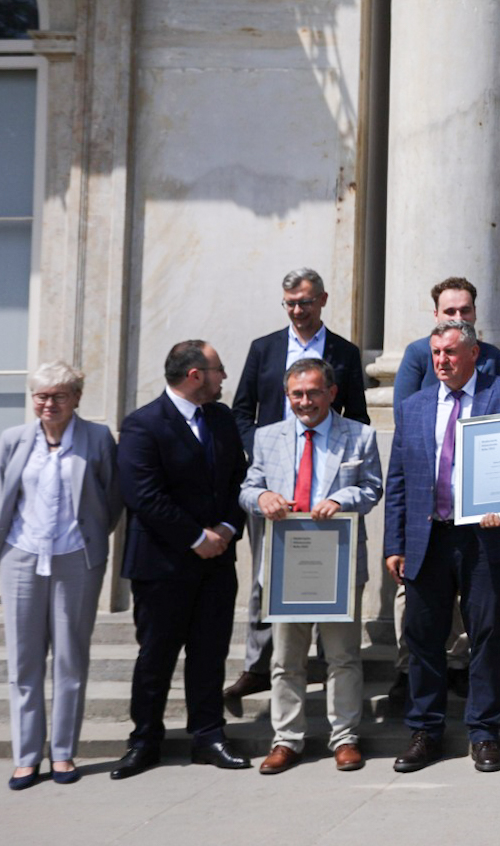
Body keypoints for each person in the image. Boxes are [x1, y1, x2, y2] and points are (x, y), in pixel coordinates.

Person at [384, 320, 500, 774]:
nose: (442, 361)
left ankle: (484, 731)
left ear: (473, 353)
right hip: (428, 536)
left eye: (450, 352)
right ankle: (425, 730)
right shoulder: (413, 406)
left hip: (484, 537)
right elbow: (399, 480)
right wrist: (394, 543)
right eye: (436, 353)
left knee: (485, 634)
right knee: (423, 636)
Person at [226, 267, 371, 715]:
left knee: (331, 582)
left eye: (305, 302)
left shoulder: (344, 352)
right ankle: (258, 664)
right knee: (265, 579)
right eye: (290, 303)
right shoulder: (265, 348)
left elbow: (358, 414)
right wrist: (264, 454)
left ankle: (328, 660)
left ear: (322, 300)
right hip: (275, 488)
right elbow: (241, 410)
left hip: (328, 485)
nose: (297, 310)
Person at [112, 341, 251, 778]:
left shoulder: (221, 418)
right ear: (195, 375)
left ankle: (208, 735)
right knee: (156, 657)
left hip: (216, 563)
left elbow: (239, 480)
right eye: (218, 369)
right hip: (161, 566)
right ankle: (144, 741)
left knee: (209, 654)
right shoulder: (143, 424)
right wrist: (195, 537)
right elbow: (143, 495)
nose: (223, 377)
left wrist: (226, 528)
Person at [239, 358, 383, 774]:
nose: (305, 401)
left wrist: (340, 500)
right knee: (286, 659)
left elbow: (372, 488)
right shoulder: (267, 437)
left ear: (331, 393)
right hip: (287, 561)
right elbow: (248, 488)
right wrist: (262, 498)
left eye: (313, 393)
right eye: (297, 394)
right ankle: (286, 739)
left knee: (343, 656)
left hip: (336, 560)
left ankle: (345, 737)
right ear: (287, 396)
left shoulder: (359, 435)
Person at [0, 362, 119, 789]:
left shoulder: (97, 438)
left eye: (59, 396)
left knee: (70, 659)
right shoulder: (13, 439)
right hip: (21, 557)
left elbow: (111, 499)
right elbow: (3, 498)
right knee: (23, 660)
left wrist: (88, 539)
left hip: (75, 558)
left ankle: (62, 753)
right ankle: (26, 756)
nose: (49, 404)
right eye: (41, 396)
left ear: (77, 398)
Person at [391, 277, 500, 407]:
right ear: (436, 315)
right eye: (450, 312)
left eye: (465, 311)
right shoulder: (417, 353)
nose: (458, 318)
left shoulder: (495, 358)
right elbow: (404, 410)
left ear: (475, 313)